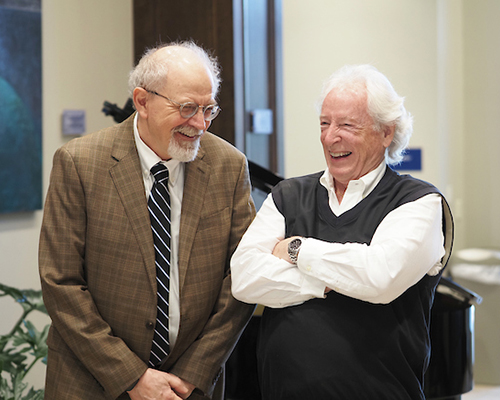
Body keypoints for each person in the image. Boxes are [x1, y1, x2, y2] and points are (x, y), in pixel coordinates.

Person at [39, 41, 256, 400]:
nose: (200, 124)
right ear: (142, 101)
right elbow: (61, 282)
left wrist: (192, 373)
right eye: (187, 108)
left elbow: (241, 279)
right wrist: (133, 377)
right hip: (91, 382)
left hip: (188, 387)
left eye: (208, 109)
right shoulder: (79, 163)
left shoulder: (229, 167)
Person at [231, 64, 453, 400]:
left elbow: (380, 277)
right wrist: (335, 281)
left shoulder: (419, 202)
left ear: (386, 132)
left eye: (347, 125)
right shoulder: (288, 195)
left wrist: (296, 250)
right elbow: (245, 278)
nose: (330, 136)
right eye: (325, 123)